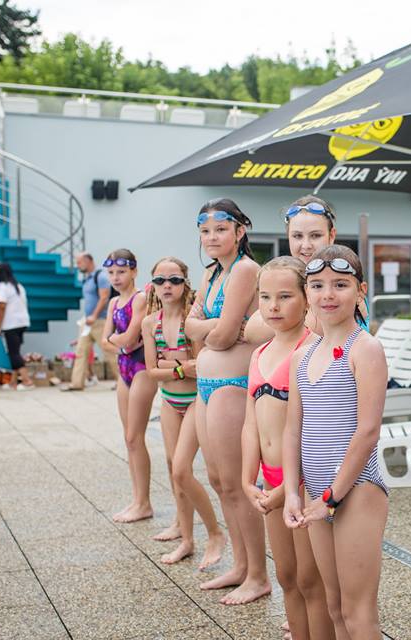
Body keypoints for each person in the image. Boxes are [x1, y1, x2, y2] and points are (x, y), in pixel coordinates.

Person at [283, 245, 388, 640]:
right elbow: (293, 428)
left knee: (359, 612)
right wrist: (293, 493)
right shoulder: (303, 355)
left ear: (360, 290)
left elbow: (367, 431)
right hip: (315, 492)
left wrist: (332, 495)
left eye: (340, 285)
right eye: (318, 285)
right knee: (334, 606)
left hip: (356, 488)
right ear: (307, 292)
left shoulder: (366, 349)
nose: (328, 294)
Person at [241, 257, 332, 640]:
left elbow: (314, 431)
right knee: (286, 576)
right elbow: (250, 424)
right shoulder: (259, 354)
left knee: (312, 580)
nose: (273, 306)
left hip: (302, 483)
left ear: (306, 299)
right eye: (265, 297)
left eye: (284, 296)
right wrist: (248, 480)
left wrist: (286, 490)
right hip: (271, 481)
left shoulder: (313, 351)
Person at [185, 198, 269, 605]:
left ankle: (258, 575)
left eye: (220, 229)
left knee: (238, 483)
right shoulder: (210, 273)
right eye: (205, 231)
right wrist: (210, 328)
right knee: (218, 481)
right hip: (207, 385)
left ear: (240, 232)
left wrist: (211, 329)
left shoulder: (246, 269)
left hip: (232, 384)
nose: (212, 237)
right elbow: (191, 329)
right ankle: (239, 565)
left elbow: (216, 337)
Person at [140, 256, 226, 566]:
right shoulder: (150, 323)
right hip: (168, 402)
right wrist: (178, 368)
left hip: (194, 401)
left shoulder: (192, 319)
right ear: (152, 285)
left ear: (184, 283)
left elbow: (200, 368)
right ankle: (187, 539)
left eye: (174, 280)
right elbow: (151, 371)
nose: (167, 286)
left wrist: (169, 366)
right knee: (174, 469)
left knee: (181, 469)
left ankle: (215, 532)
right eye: (160, 280)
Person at [243, 195, 370, 345]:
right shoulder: (291, 277)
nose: (306, 245)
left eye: (315, 235)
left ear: (332, 235)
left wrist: (278, 322)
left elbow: (315, 327)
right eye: (297, 236)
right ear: (288, 237)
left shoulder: (343, 279)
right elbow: (252, 332)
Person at [100, 248, 157, 524]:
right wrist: (119, 340)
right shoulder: (112, 304)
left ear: (134, 271)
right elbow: (106, 341)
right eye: (111, 273)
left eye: (121, 272)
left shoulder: (140, 299)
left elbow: (131, 337)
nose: (115, 277)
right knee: (129, 439)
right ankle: (137, 500)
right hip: (124, 370)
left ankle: (144, 502)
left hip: (142, 368)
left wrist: (118, 339)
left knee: (135, 436)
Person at [65, 252, 112, 390]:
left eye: (79, 262)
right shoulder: (87, 279)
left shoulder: (101, 277)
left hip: (99, 321)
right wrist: (87, 318)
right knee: (80, 352)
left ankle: (124, 381)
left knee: (109, 352)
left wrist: (94, 315)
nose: (77, 265)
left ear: (88, 261)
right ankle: (77, 383)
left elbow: (104, 298)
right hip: (87, 323)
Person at [0, 262, 33, 390]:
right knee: (14, 352)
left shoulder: (1, 286)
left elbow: (2, 306)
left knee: (13, 353)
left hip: (10, 324)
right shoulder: (18, 286)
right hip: (22, 322)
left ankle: (27, 381)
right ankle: (13, 382)